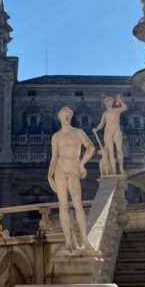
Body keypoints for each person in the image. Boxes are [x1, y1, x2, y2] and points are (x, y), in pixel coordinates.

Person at [48, 106, 97, 251]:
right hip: (60, 170)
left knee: (77, 204)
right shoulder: (56, 136)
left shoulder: (78, 132)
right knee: (63, 205)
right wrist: (49, 177)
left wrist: (82, 165)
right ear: (59, 117)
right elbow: (54, 158)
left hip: (74, 168)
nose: (66, 117)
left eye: (68, 115)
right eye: (63, 115)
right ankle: (69, 242)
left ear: (71, 117)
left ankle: (85, 241)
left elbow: (91, 148)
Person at [92, 95, 128, 176]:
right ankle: (114, 171)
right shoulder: (105, 114)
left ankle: (121, 169)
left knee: (119, 150)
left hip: (117, 131)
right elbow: (101, 124)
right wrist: (96, 129)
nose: (109, 103)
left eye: (110, 101)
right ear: (105, 103)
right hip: (108, 132)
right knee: (110, 152)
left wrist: (120, 100)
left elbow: (125, 107)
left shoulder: (116, 110)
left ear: (112, 103)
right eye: (107, 101)